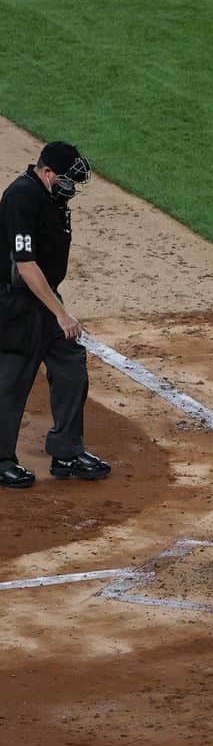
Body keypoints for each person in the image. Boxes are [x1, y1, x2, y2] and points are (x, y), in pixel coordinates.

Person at [0, 141, 111, 488]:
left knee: (70, 364)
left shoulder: (53, 197)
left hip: (43, 299)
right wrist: (61, 314)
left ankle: (67, 452)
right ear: (47, 172)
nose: (71, 188)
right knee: (12, 381)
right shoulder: (21, 197)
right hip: (15, 303)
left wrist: (54, 309)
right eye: (65, 180)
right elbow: (26, 264)